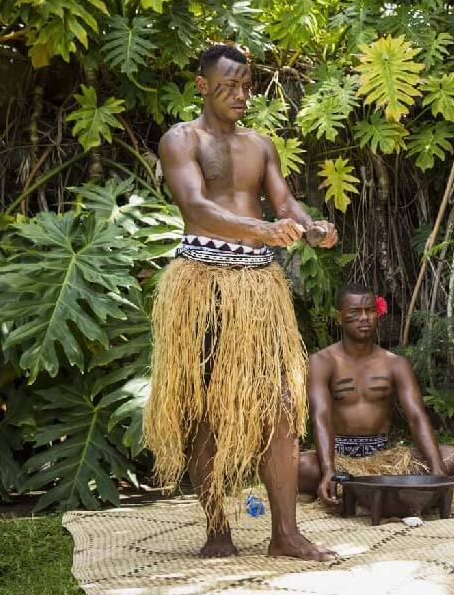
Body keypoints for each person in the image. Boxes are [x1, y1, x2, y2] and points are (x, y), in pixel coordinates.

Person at [144, 44, 338, 561]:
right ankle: (217, 528)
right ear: (202, 86)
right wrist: (264, 230)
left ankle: (285, 534)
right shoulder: (180, 140)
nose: (240, 95)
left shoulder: (261, 145)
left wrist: (311, 226)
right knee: (204, 409)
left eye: (247, 85)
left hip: (258, 288)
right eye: (228, 85)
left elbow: (284, 202)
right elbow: (196, 208)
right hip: (202, 283)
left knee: (279, 406)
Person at [300, 283, 454, 508]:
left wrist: (436, 469)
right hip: (338, 456)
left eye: (370, 311)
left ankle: (362, 488)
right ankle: (345, 483)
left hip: (383, 459)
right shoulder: (321, 362)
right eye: (355, 313)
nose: (364, 318)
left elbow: (416, 417)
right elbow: (320, 417)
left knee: (450, 456)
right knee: (301, 467)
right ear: (340, 317)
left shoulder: (395, 364)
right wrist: (328, 469)